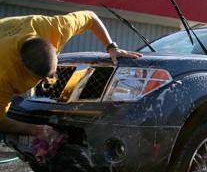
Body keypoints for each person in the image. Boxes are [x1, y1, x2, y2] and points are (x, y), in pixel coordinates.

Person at [0, 10, 143, 142]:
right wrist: (35, 130)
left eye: (50, 74)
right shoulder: (4, 75)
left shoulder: (56, 29)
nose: (47, 81)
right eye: (39, 77)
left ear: (55, 47)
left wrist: (111, 47)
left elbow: (90, 17)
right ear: (21, 64)